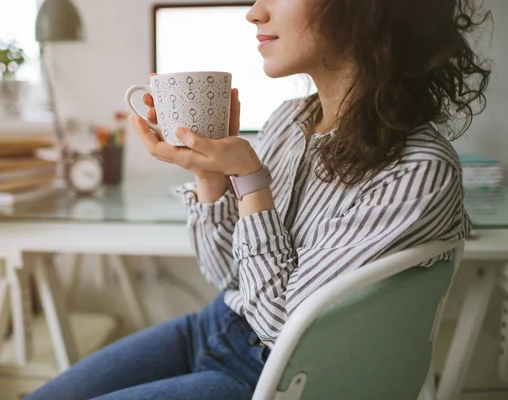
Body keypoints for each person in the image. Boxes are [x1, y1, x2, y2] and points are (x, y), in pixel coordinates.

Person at [25, 0, 491, 399]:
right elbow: (225, 274)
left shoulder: (416, 172)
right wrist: (210, 177)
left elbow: (283, 330)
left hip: (275, 377)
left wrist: (250, 180)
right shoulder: (290, 121)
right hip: (216, 326)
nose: (254, 12)